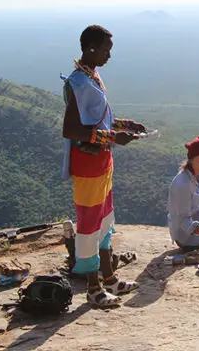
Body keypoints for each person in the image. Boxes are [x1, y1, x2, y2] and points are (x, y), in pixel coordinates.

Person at [61, 24, 148, 307]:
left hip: (102, 162)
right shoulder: (78, 83)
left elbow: (97, 120)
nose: (109, 56)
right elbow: (72, 130)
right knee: (88, 225)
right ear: (90, 48)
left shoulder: (93, 77)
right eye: (106, 50)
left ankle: (109, 277)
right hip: (87, 165)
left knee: (105, 220)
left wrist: (125, 125)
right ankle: (93, 287)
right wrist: (113, 136)